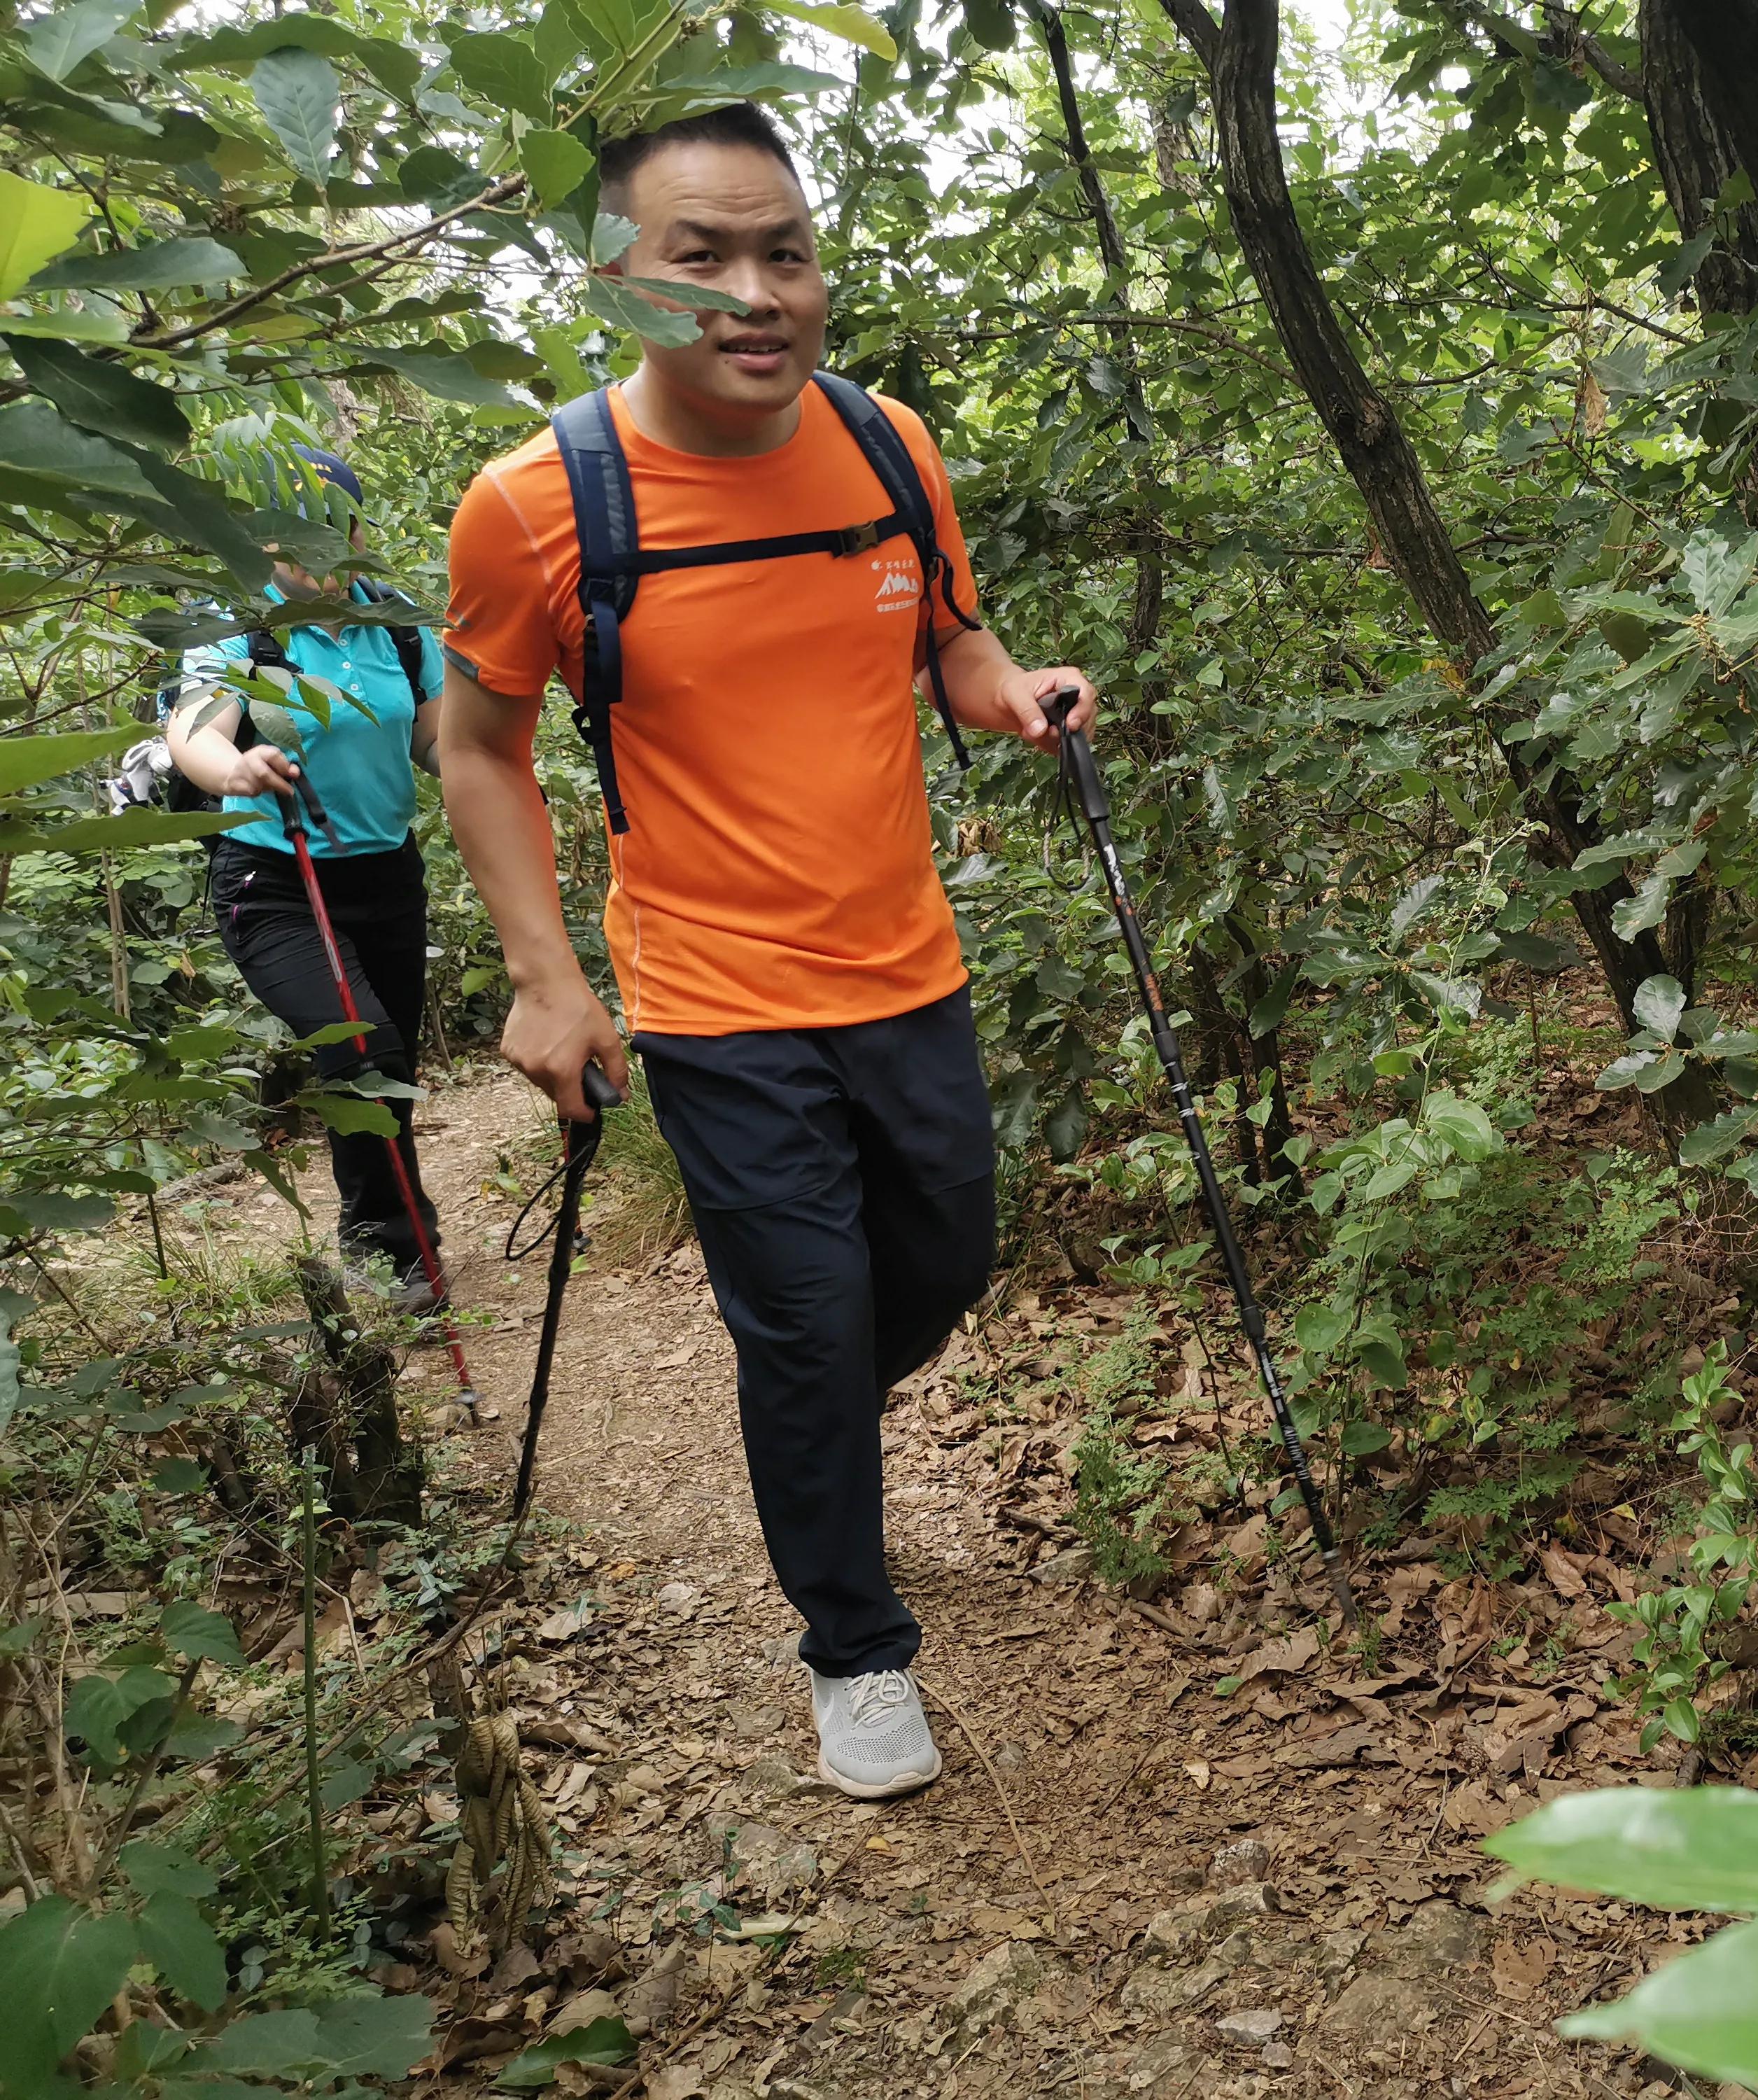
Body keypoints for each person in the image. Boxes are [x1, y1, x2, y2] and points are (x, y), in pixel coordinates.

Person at [437, 102, 1099, 1801]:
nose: (754, 292)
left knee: (938, 1264)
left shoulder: (886, 445)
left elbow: (947, 629)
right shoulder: (536, 504)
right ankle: (856, 1645)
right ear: (615, 279)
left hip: (908, 963)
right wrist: (543, 975)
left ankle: (806, 1412)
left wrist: (1010, 694)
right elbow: (481, 744)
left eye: (783, 252)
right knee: (809, 1322)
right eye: (701, 256)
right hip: (714, 996)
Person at [169, 444, 449, 1309]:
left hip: (385, 873)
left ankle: (386, 1225)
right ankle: (392, 1248)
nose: (307, 548)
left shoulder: (398, 624)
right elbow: (194, 731)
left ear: (354, 528)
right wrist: (235, 768)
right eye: (283, 531)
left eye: (327, 525)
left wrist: (507, 779)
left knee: (387, 1059)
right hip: (275, 880)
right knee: (363, 1047)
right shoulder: (236, 625)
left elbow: (438, 742)